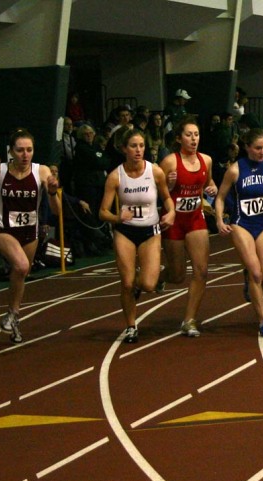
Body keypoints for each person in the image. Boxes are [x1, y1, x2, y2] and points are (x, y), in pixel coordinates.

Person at [0, 129, 61, 343]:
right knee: (22, 266)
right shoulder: (0, 171)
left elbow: (57, 211)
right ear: (11, 152)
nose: (25, 155)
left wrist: (52, 192)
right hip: (4, 230)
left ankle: (13, 315)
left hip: (30, 232)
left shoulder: (41, 172)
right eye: (20, 150)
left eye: (29, 150)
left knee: (21, 273)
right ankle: (13, 314)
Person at [98, 129, 175, 344]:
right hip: (126, 231)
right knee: (127, 283)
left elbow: (167, 199)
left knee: (148, 284)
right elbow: (102, 211)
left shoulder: (155, 172)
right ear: (124, 149)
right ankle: (131, 326)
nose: (138, 150)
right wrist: (118, 217)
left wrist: (171, 212)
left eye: (141, 146)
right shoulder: (116, 176)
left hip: (150, 231)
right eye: (133, 146)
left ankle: (147, 278)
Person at [215, 128, 263, 338]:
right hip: (241, 224)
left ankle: (248, 276)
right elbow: (220, 197)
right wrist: (220, 220)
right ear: (247, 147)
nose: (262, 152)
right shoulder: (235, 170)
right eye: (258, 148)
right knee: (256, 272)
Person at [159, 117, 217, 337]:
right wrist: (170, 185)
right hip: (173, 221)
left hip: (195, 220)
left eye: (196, 134)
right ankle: (158, 277)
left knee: (201, 271)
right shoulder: (170, 162)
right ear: (178, 138)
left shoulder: (207, 160)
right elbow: (157, 191)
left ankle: (189, 320)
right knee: (177, 275)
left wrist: (211, 189)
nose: (194, 139)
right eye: (189, 135)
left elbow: (208, 183)